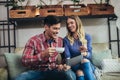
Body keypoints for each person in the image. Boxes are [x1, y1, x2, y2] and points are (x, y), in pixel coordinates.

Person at [15, 15, 76, 80]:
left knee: (70, 75)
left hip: (54, 71)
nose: (57, 31)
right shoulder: (33, 41)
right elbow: (25, 61)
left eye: (58, 28)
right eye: (55, 28)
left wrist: (63, 65)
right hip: (37, 71)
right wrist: (43, 55)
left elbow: (65, 58)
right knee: (19, 78)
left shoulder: (60, 41)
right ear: (46, 27)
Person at [63, 15, 96, 80]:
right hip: (74, 65)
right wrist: (68, 64)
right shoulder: (66, 39)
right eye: (68, 24)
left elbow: (90, 55)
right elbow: (67, 57)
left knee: (80, 72)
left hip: (87, 64)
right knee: (84, 61)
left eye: (71, 23)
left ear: (77, 23)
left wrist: (85, 53)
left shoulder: (87, 37)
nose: (69, 25)